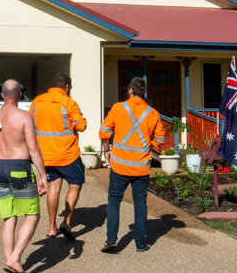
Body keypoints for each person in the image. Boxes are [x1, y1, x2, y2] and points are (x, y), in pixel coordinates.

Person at [0, 79, 48, 273]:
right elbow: (33, 148)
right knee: (32, 215)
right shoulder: (24, 116)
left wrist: (1, 154)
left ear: (2, 95)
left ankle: (11, 269)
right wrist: (43, 175)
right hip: (19, 168)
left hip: (0, 169)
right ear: (19, 95)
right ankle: (15, 258)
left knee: (9, 218)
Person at [98, 76, 168, 252]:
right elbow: (161, 139)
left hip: (119, 165)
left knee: (114, 201)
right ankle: (140, 244)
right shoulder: (152, 113)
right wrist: (149, 147)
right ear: (143, 92)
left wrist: (107, 151)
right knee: (140, 204)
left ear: (130, 90)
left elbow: (104, 132)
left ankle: (111, 240)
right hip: (141, 167)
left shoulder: (118, 108)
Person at [30, 72, 87, 240]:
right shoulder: (69, 103)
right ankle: (66, 222)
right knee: (75, 185)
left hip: (45, 155)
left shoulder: (36, 102)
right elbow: (81, 126)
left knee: (54, 187)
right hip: (67, 155)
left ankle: (51, 227)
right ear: (67, 87)